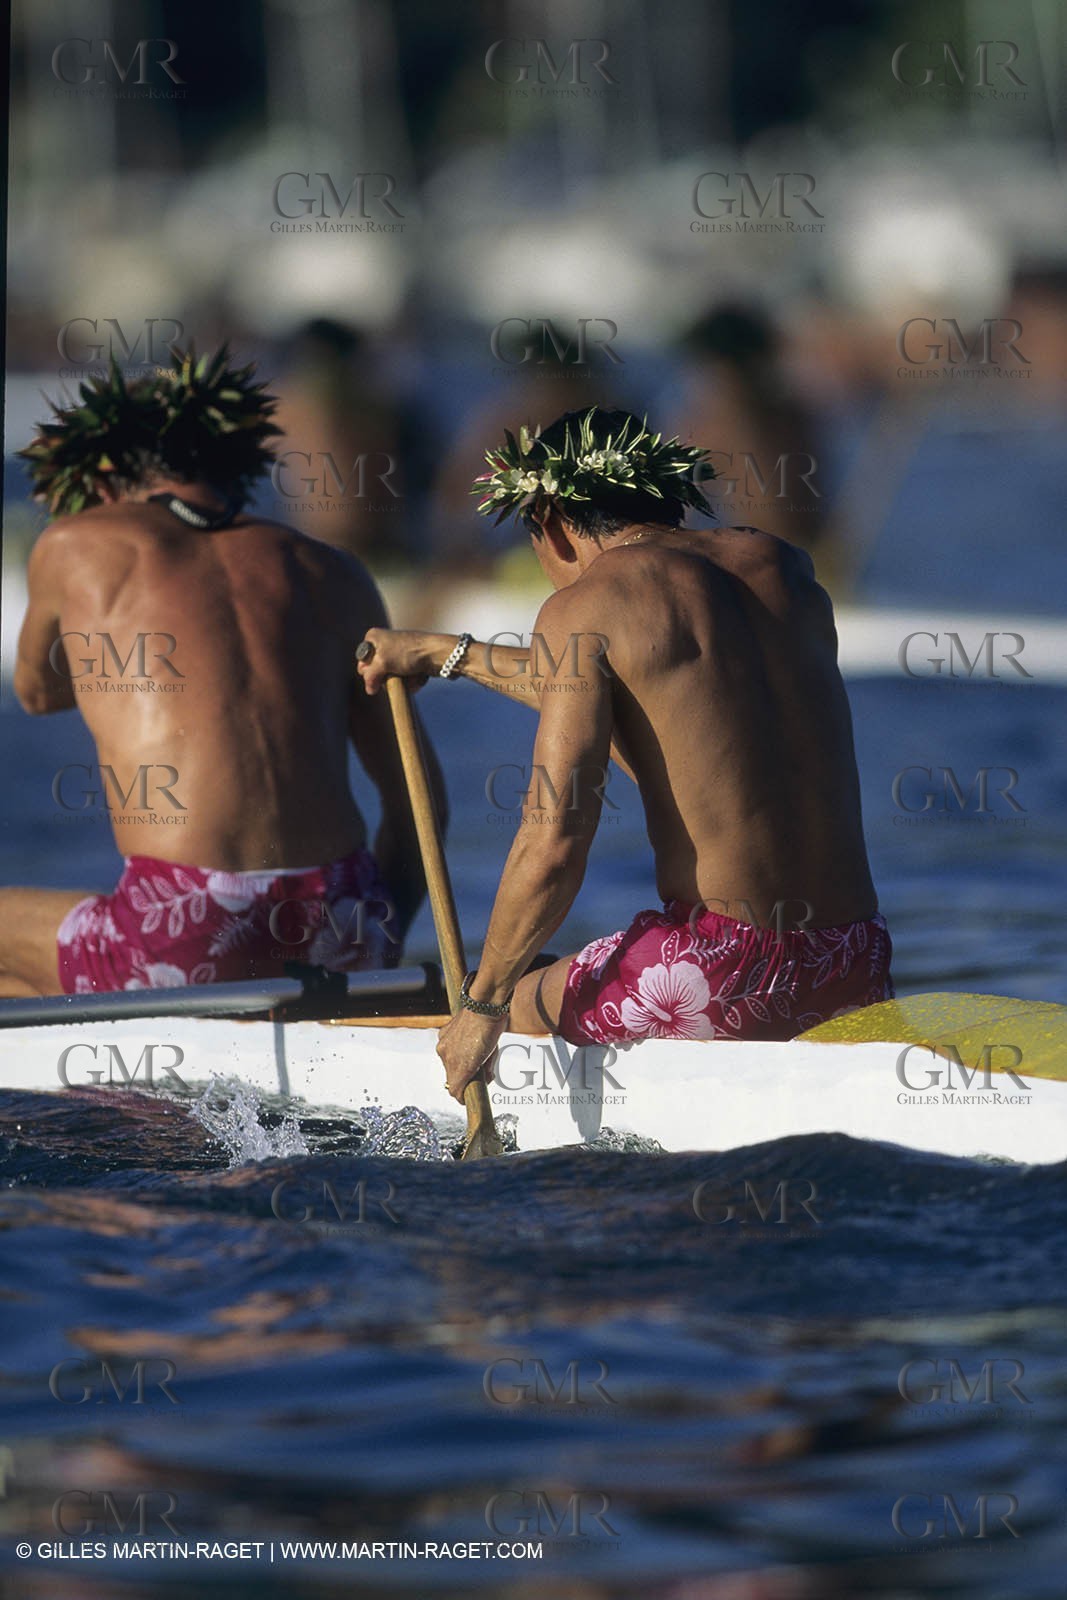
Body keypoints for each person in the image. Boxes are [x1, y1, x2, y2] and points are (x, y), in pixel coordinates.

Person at [357, 407, 892, 1101]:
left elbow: (553, 845)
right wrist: (444, 654)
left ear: (548, 520)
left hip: (718, 975)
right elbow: (658, 703)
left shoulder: (588, 603)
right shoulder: (781, 567)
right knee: (543, 964)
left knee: (504, 991)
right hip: (855, 961)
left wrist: (485, 1007)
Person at [4, 347, 441, 996]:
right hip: (345, 917)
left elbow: (36, 692)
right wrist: (381, 933)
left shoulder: (76, 543)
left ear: (103, 483)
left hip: (188, 927)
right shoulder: (335, 571)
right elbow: (418, 795)